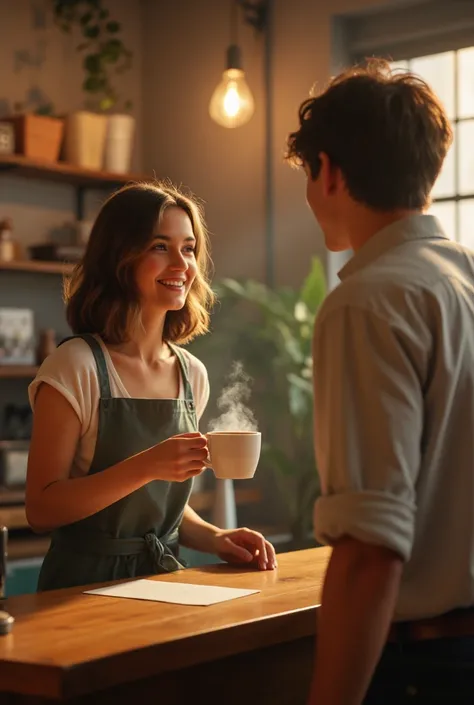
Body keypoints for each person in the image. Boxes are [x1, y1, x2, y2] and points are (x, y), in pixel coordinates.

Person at [286, 59, 474, 704]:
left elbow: (370, 550)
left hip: (427, 666)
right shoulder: (464, 281)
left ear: (330, 172)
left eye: (309, 174)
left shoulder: (370, 301)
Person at [26, 181, 276, 591]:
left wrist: (216, 538)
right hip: (78, 591)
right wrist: (147, 464)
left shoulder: (191, 373)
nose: (181, 264)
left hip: (164, 585)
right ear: (119, 257)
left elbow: (157, 509)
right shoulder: (75, 367)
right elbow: (41, 508)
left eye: (189, 248)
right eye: (160, 247)